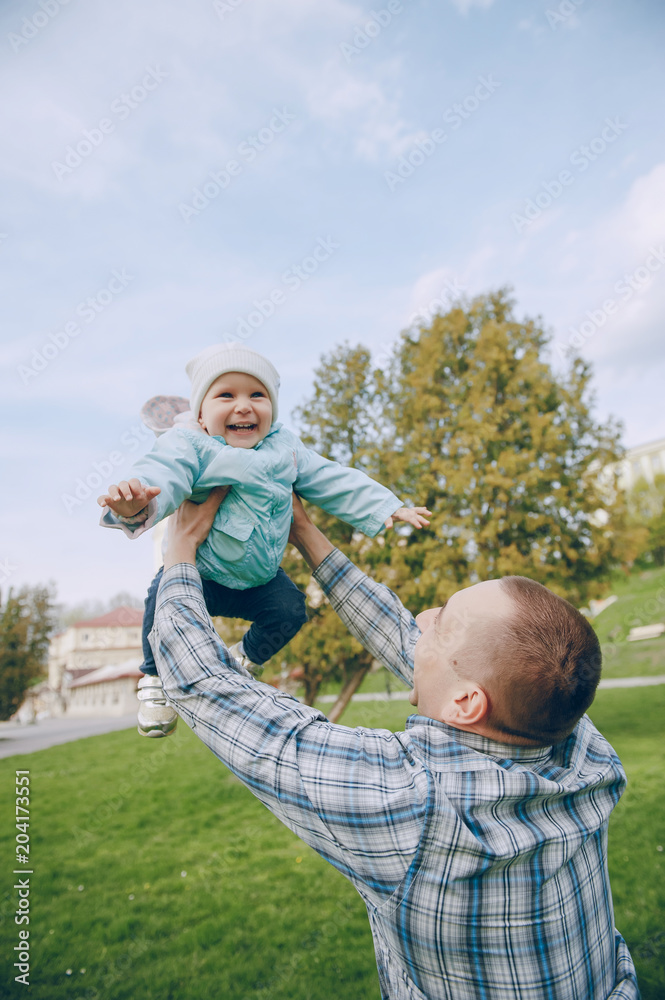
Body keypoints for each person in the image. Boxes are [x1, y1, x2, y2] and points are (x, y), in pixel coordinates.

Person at [149, 487, 639, 1000]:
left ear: (468, 703)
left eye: (443, 623)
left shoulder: (412, 805)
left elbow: (206, 686)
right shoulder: (578, 742)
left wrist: (179, 550)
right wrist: (305, 533)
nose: (422, 618)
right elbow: (418, 648)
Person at [97, 343, 430, 737]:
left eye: (257, 395)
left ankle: (243, 660)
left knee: (291, 609)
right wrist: (136, 501)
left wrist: (383, 506)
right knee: (160, 602)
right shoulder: (191, 444)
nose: (243, 406)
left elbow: (331, 476)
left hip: (259, 578)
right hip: (204, 571)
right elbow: (165, 470)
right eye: (226, 395)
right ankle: (154, 681)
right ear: (201, 415)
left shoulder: (285, 448)